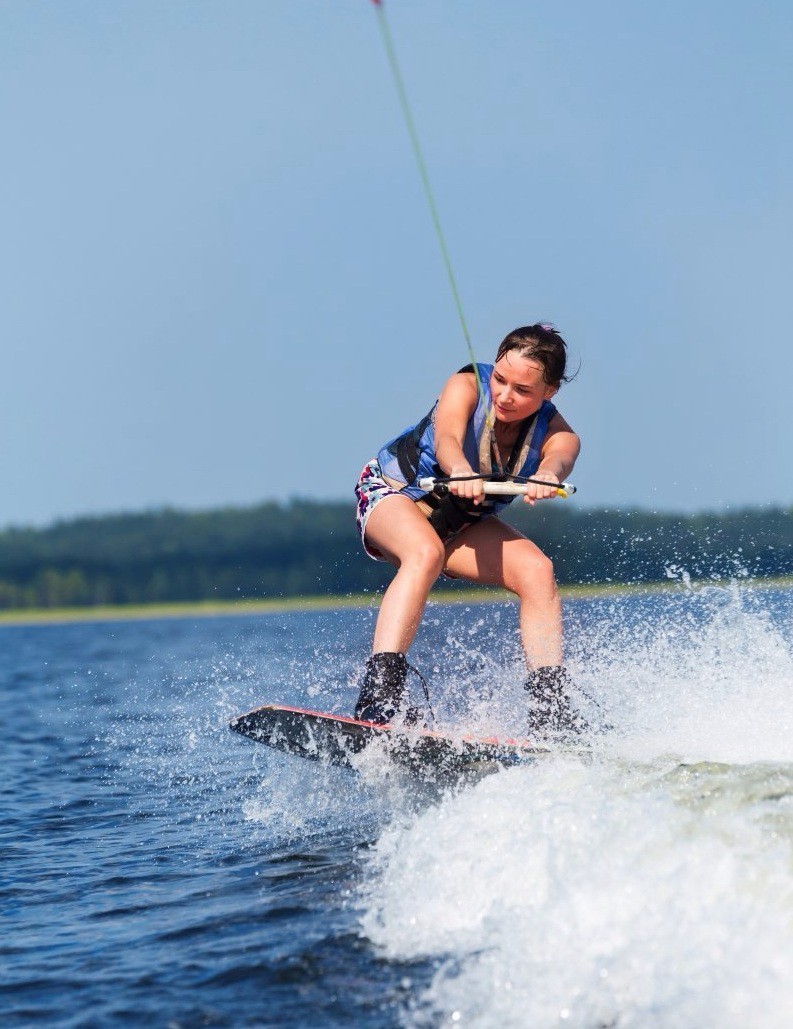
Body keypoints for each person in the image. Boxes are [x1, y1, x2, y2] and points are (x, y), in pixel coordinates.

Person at [353, 323, 586, 737]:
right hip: (394, 494)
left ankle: (551, 713)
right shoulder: (465, 386)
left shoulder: (559, 433)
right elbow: (446, 438)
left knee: (537, 571)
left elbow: (560, 458)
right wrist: (459, 469)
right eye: (500, 379)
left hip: (459, 522)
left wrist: (547, 475)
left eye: (522, 390)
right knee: (425, 553)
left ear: (548, 393)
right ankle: (379, 698)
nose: (504, 395)